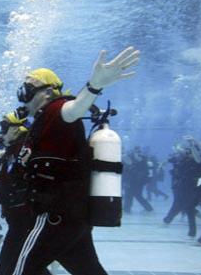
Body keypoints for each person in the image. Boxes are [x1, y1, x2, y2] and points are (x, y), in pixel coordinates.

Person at [10, 46, 139, 275]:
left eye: (28, 88)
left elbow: (74, 108)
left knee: (18, 271)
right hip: (75, 218)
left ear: (48, 93)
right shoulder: (40, 124)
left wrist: (94, 85)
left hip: (54, 217)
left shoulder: (55, 110)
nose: (23, 95)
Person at [0, 110, 55, 275]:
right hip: (19, 221)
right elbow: (2, 155)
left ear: (18, 129)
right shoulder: (15, 150)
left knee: (7, 267)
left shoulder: (23, 150)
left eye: (4, 127)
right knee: (26, 266)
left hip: (24, 222)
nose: (1, 132)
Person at [123, 146, 154, 213]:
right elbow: (125, 170)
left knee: (136, 195)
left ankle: (148, 208)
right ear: (133, 151)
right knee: (130, 194)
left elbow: (145, 171)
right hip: (130, 180)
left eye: (139, 151)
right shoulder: (129, 158)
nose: (138, 153)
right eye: (136, 151)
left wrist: (132, 166)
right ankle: (127, 209)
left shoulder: (143, 159)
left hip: (138, 181)